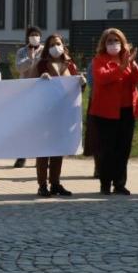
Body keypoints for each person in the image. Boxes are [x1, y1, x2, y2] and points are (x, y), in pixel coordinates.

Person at [89, 28, 138, 195]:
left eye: (116, 41)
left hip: (127, 110)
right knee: (107, 149)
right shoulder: (99, 59)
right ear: (104, 43)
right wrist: (121, 67)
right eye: (110, 41)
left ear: (123, 43)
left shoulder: (128, 60)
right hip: (105, 112)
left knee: (124, 148)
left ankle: (120, 183)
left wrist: (132, 65)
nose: (113, 44)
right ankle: (105, 183)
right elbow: (102, 78)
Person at [33, 34, 85, 197]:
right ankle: (42, 185)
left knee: (58, 149)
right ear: (47, 48)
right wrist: (41, 79)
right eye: (52, 44)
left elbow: (76, 90)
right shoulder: (42, 64)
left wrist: (82, 83)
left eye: (58, 44)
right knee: (44, 150)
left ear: (63, 45)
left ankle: (55, 183)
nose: (56, 47)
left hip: (64, 112)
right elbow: (35, 86)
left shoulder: (70, 64)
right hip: (46, 112)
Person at [12, 26, 44, 168]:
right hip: (25, 91)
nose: (34, 37)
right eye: (32, 35)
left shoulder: (44, 51)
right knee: (23, 125)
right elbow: (19, 68)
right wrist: (30, 60)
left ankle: (41, 156)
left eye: (37, 35)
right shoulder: (22, 51)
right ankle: (21, 155)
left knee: (40, 124)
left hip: (41, 91)